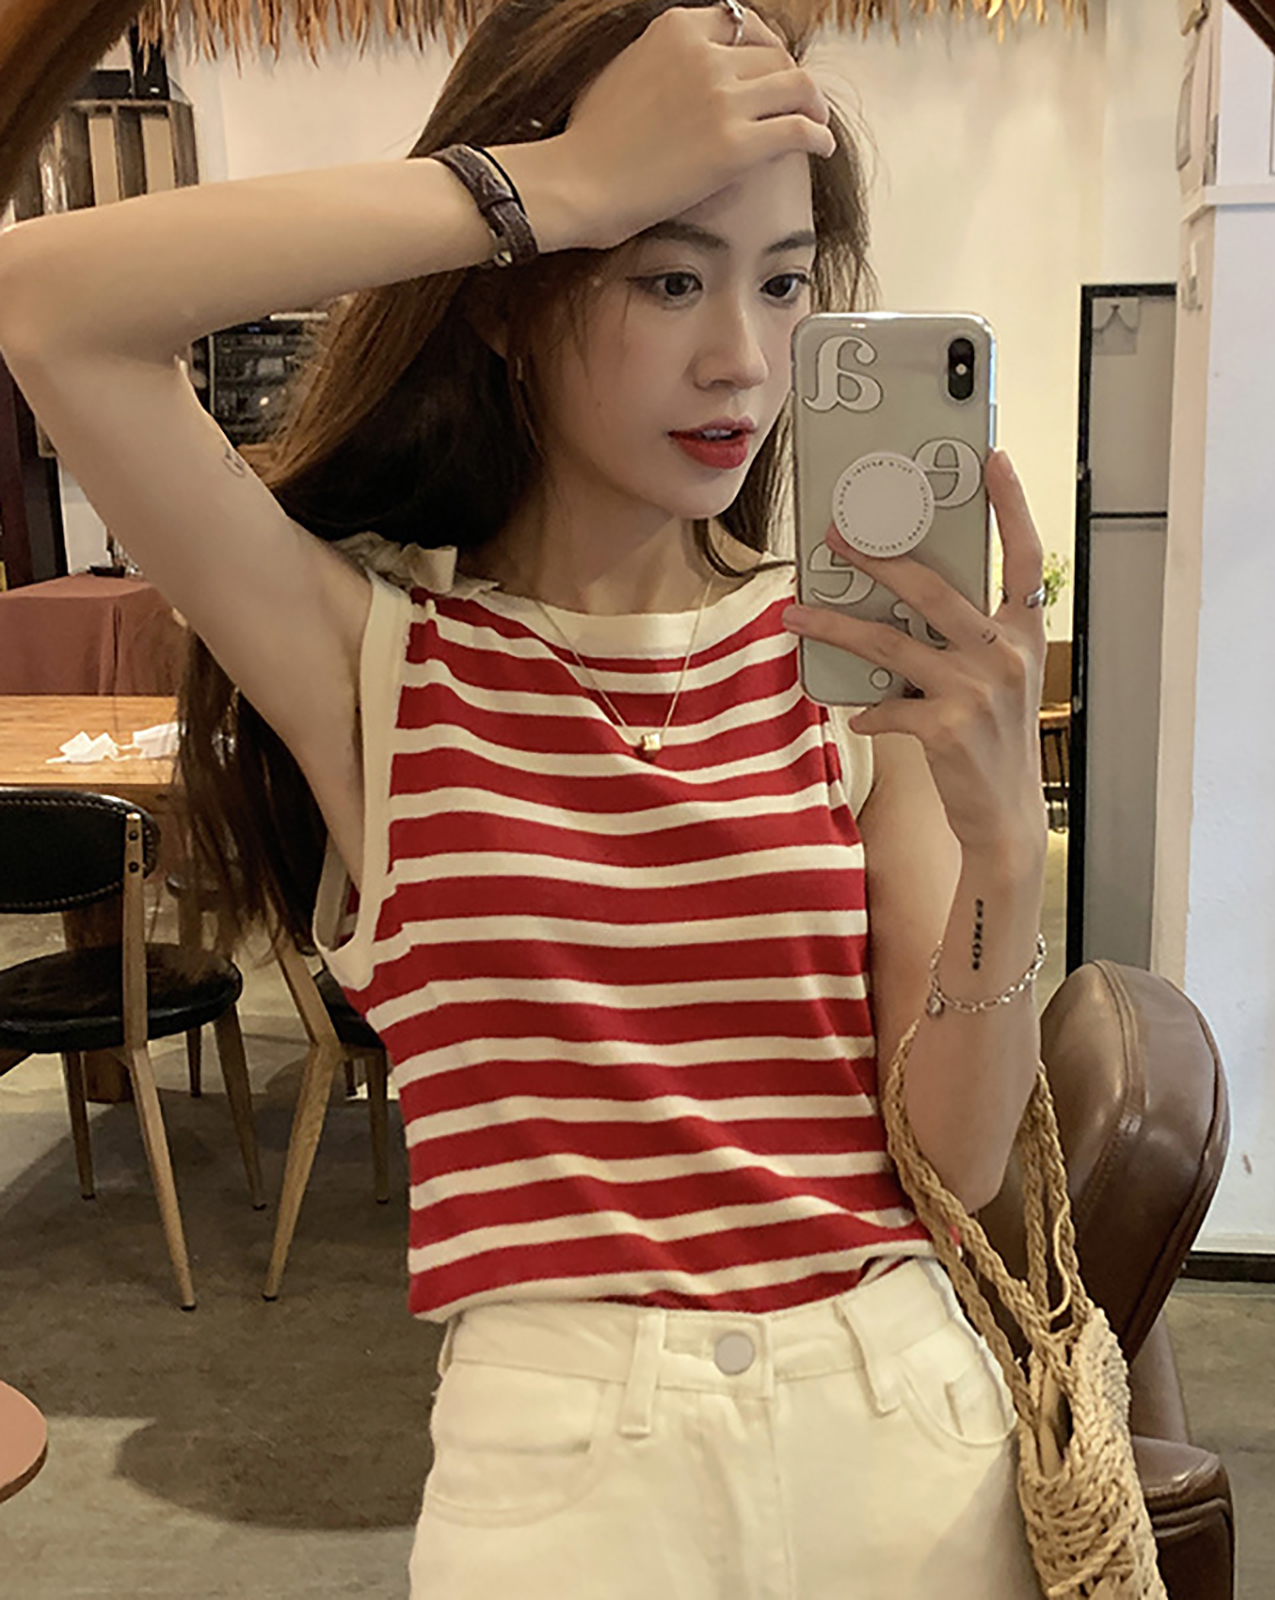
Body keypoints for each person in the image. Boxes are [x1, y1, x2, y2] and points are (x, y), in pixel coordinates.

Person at [0, 0, 1052, 1592]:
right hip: (571, 1477)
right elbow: (46, 305)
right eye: (668, 276)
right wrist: (552, 188)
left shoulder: (845, 668)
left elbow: (954, 1167)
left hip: (897, 1429)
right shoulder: (379, 662)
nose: (743, 358)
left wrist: (1007, 858)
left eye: (781, 284)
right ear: (511, 298)